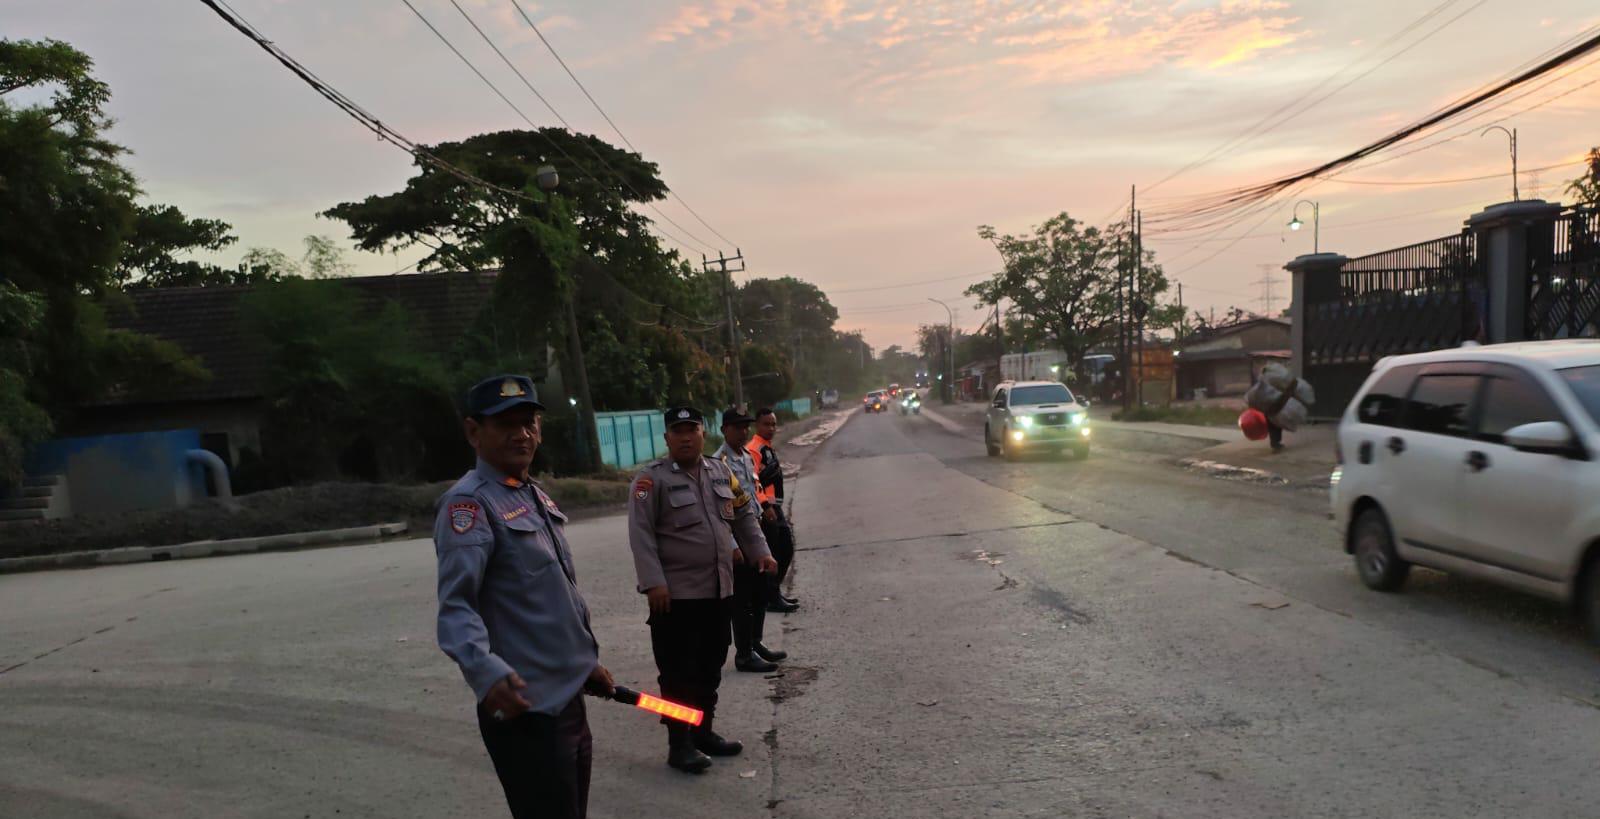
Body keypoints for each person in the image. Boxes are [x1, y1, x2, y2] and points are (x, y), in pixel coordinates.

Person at [434, 374, 615, 819]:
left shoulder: (530, 493)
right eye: (506, 424)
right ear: (474, 432)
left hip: (566, 699)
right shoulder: (469, 505)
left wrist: (583, 664)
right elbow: (456, 606)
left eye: (529, 422)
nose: (522, 434)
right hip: (526, 711)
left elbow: (551, 599)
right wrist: (486, 673)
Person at [628, 406, 778, 774]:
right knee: (677, 673)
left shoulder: (721, 471)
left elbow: (743, 514)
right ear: (667, 438)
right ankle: (679, 744)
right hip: (675, 597)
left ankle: (703, 732)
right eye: (677, 431)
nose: (685, 437)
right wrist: (654, 582)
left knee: (710, 666)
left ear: (702, 433)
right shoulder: (651, 481)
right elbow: (641, 535)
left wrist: (760, 551)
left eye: (691, 430)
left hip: (718, 589)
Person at [714, 407, 787, 673]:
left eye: (746, 426)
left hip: (754, 529)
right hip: (735, 537)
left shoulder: (745, 456)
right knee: (742, 598)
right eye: (737, 427)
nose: (743, 431)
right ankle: (744, 653)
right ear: (724, 430)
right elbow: (720, 510)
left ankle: (756, 642)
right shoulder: (719, 462)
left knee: (760, 592)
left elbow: (751, 494)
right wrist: (733, 545)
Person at [747, 408, 799, 613]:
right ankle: (770, 596)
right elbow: (753, 482)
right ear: (756, 426)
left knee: (784, 549)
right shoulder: (755, 449)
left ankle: (773, 593)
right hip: (766, 510)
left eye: (773, 424)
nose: (771, 428)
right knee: (778, 551)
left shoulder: (767, 447)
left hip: (773, 507)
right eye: (766, 424)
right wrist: (765, 506)